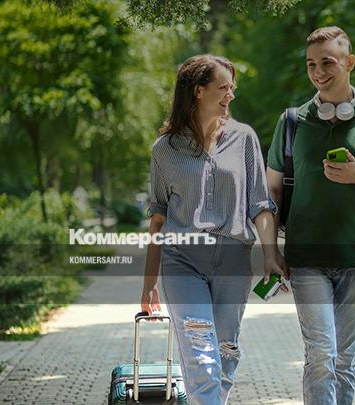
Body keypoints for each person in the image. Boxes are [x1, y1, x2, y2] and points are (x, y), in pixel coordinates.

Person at [266, 27, 355, 405]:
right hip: (306, 257)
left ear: (349, 62)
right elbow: (272, 191)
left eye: (327, 63)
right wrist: (269, 250)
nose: (318, 72)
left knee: (344, 360)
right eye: (311, 64)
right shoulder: (292, 122)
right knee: (321, 355)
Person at [141, 54, 284, 405]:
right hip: (182, 261)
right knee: (201, 354)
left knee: (224, 352)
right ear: (198, 91)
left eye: (232, 88)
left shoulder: (244, 139)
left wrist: (270, 255)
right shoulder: (165, 150)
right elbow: (158, 217)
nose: (230, 95)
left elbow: (260, 204)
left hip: (233, 262)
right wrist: (149, 282)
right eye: (223, 88)